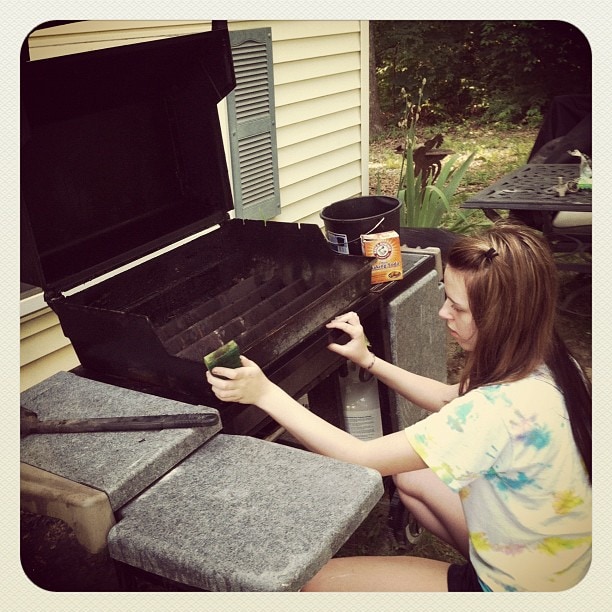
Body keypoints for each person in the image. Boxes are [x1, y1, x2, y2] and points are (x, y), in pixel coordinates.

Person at [206, 221, 592, 592]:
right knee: (412, 478)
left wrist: (265, 393)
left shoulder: (495, 410)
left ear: (501, 319)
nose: (443, 313)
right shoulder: (550, 361)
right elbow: (446, 397)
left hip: (522, 591)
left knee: (313, 585)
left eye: (456, 307)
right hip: (554, 562)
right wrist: (368, 360)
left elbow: (362, 456)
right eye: (445, 294)